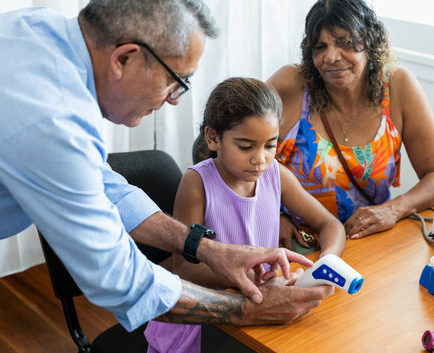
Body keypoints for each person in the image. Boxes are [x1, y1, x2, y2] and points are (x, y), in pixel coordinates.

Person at [0, 0, 334, 335]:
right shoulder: (52, 117)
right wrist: (249, 309)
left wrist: (206, 248)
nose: (174, 100)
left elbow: (106, 186)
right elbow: (120, 281)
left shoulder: (41, 33)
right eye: (177, 81)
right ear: (125, 59)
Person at [144, 77, 345, 353]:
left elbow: (330, 224)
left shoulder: (277, 176)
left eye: (270, 145)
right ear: (213, 138)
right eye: (246, 146)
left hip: (262, 302)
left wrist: (326, 260)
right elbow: (185, 269)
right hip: (209, 316)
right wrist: (249, 278)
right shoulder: (197, 184)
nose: (260, 159)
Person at [268, 0, 434, 242]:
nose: (331, 57)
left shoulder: (398, 87)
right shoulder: (291, 84)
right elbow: (230, 148)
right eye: (319, 47)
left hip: (367, 240)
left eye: (345, 43)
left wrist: (394, 208)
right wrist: (274, 214)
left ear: (370, 42)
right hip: (297, 242)